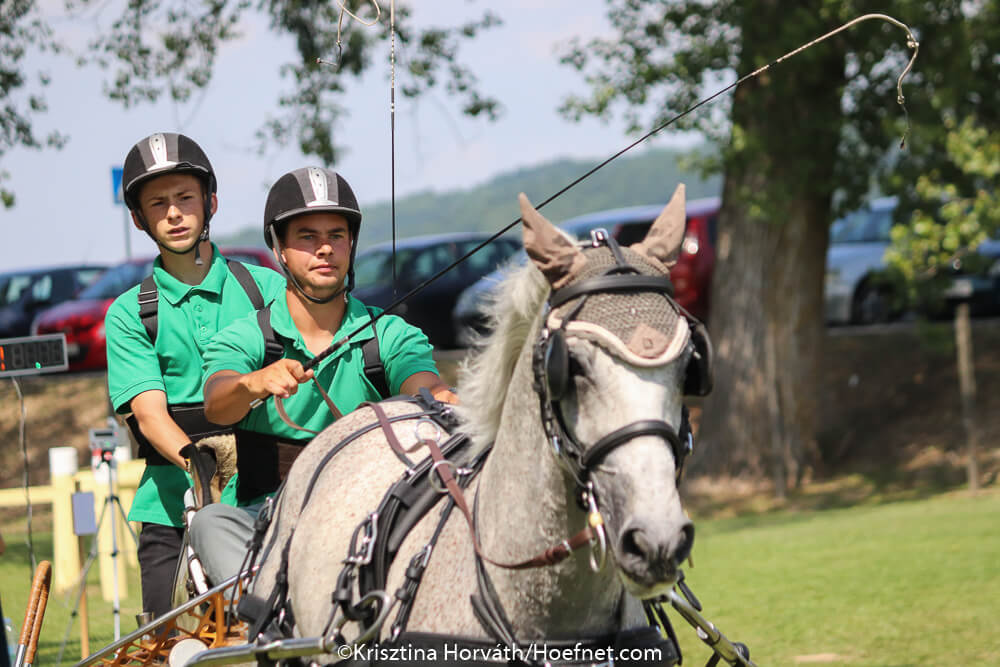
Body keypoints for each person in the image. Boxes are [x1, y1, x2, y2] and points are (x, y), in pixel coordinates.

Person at [189, 166, 456, 587]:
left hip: (370, 517)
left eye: (336, 235)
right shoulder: (245, 336)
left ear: (351, 244)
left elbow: (426, 388)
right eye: (307, 237)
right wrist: (252, 383)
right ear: (279, 249)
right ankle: (263, 610)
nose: (325, 248)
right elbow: (217, 403)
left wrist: (447, 400)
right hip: (267, 522)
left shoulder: (389, 335)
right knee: (209, 523)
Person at [105, 133, 285, 619]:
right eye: (157, 203)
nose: (174, 213)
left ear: (210, 202)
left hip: (271, 494)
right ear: (139, 219)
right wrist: (197, 467)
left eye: (185, 197)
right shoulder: (129, 313)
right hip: (170, 506)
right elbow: (149, 415)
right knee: (164, 640)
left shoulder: (266, 289)